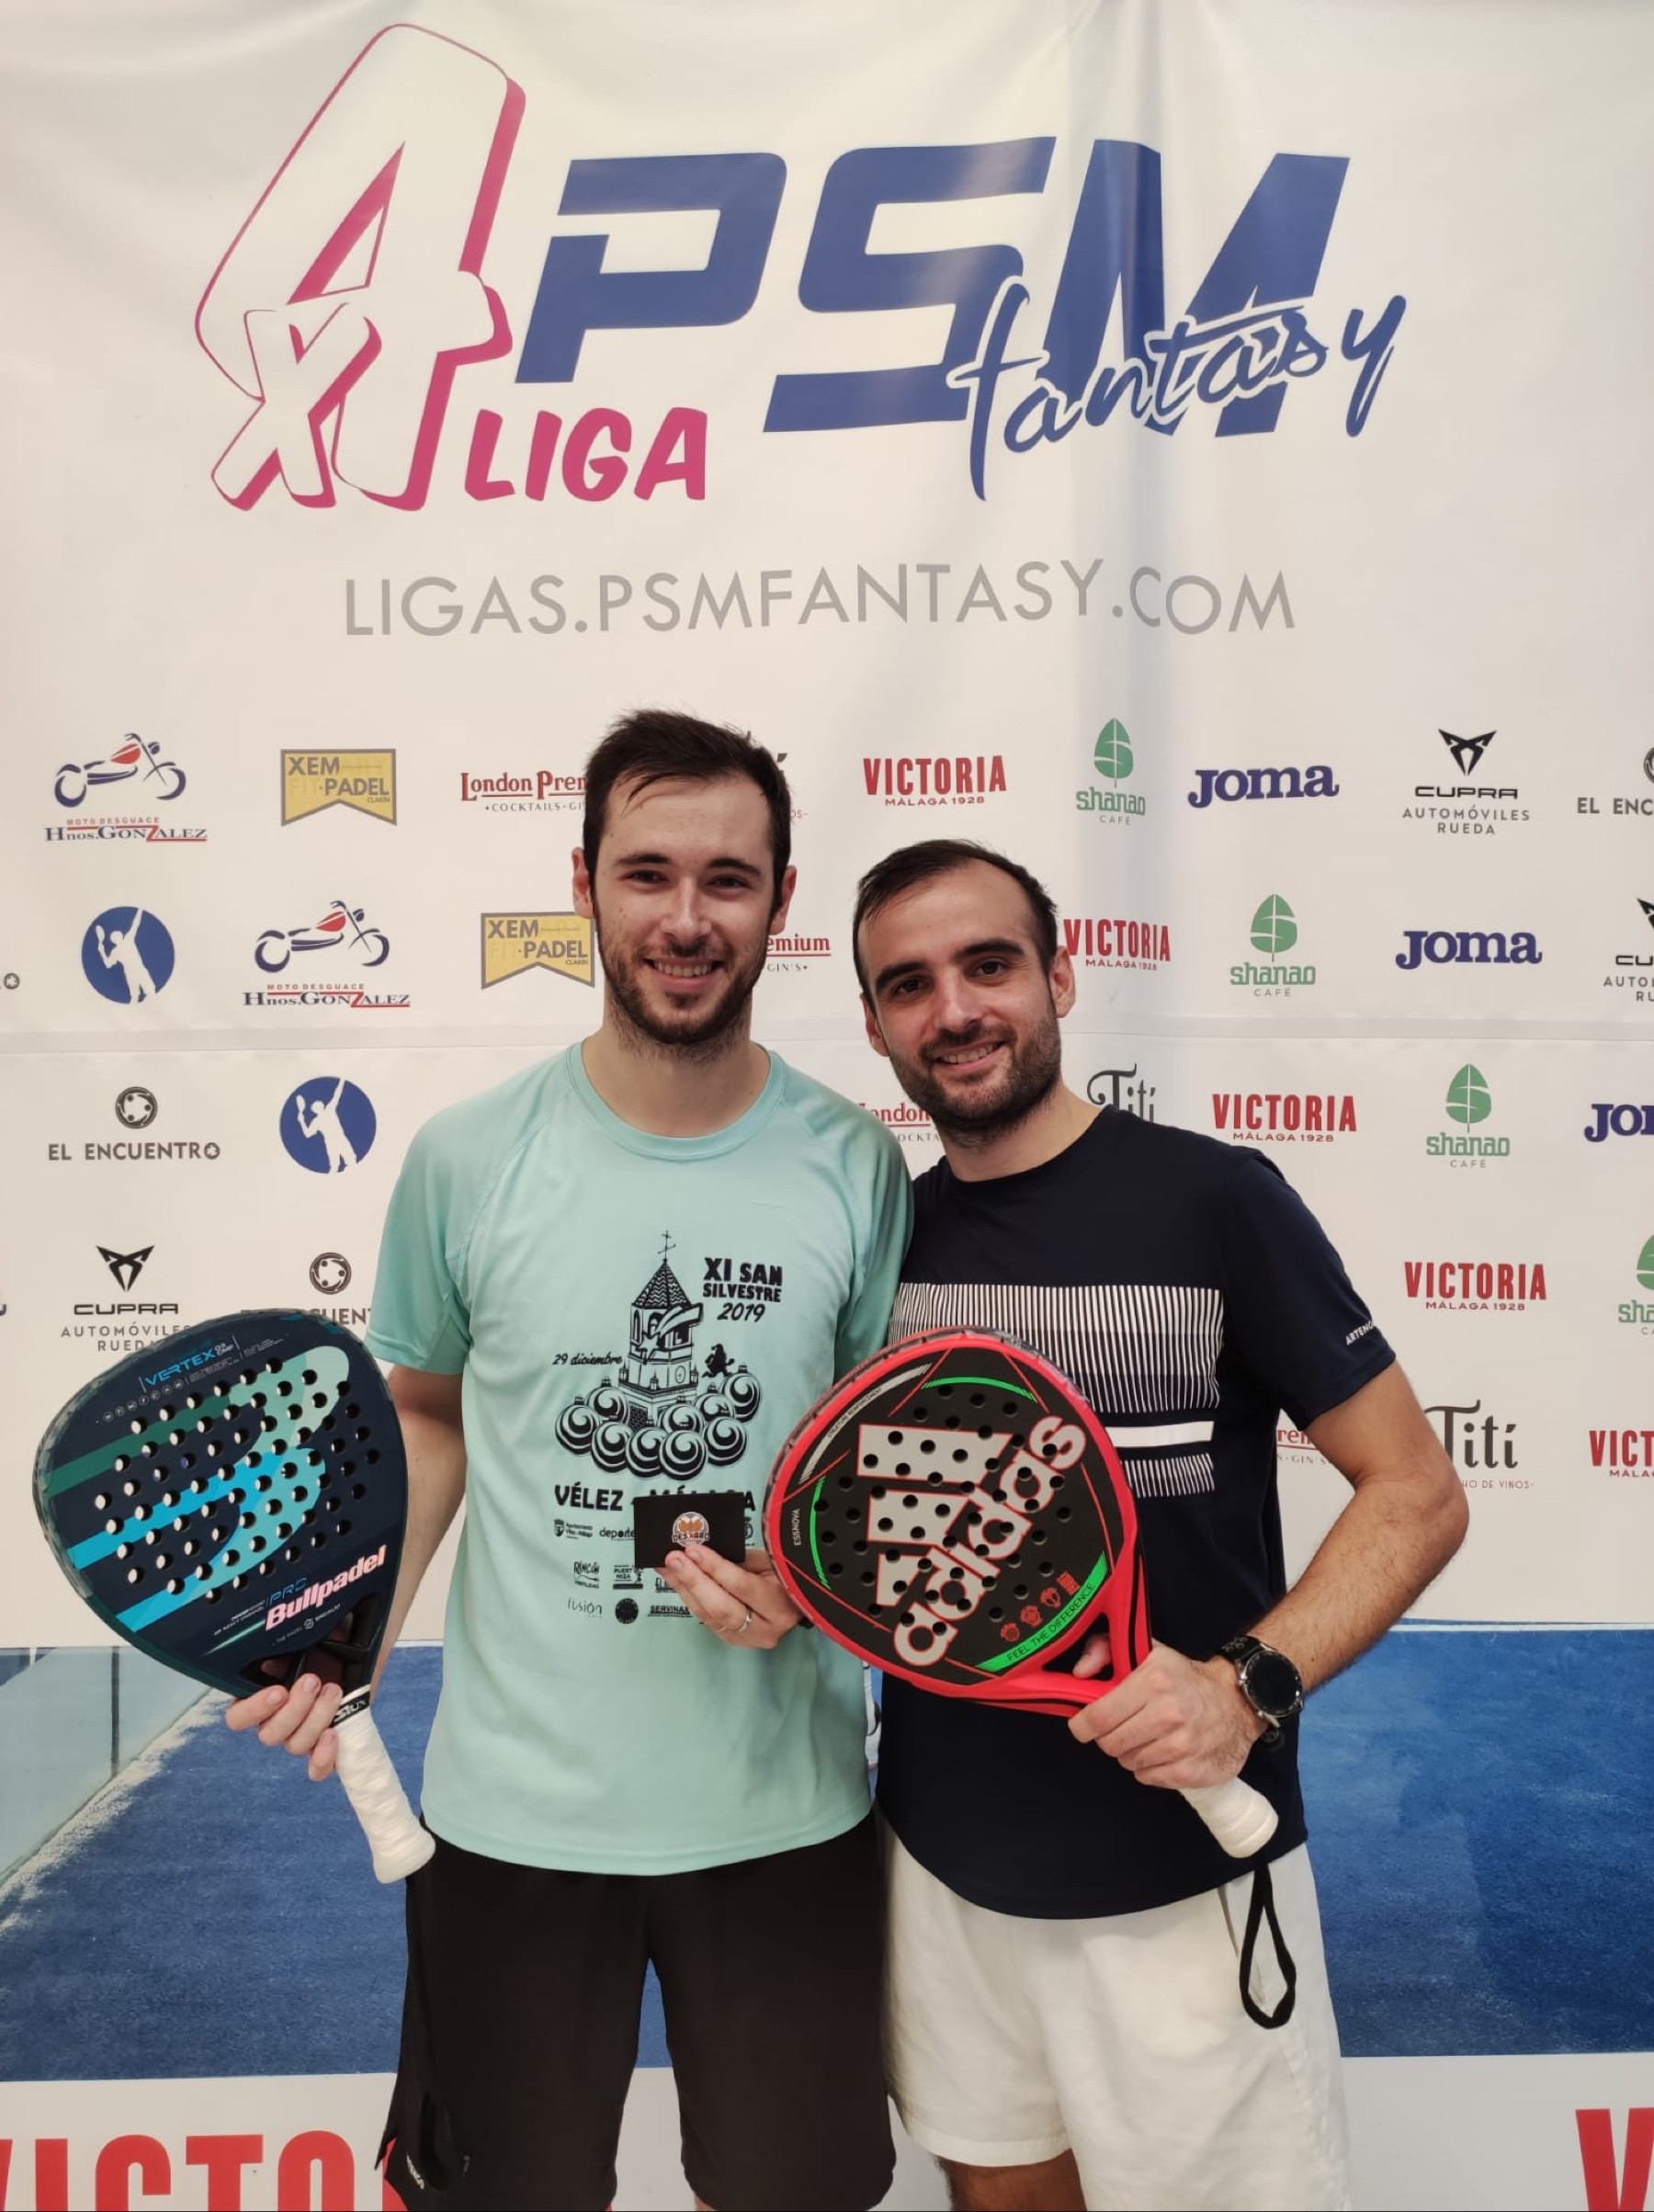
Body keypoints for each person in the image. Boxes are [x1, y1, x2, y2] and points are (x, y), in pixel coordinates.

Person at [228, 711, 911, 2212]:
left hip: (788, 1811)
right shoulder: (467, 1157)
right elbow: (427, 1414)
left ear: (781, 901)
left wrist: (816, 1589)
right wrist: (349, 1632)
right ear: (585, 883)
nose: (686, 919)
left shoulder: (854, 1163)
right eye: (647, 873)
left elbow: (870, 1463)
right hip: (514, 1820)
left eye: (728, 880)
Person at [851, 838, 1467, 2212]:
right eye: (909, 984)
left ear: (1061, 977)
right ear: (877, 1024)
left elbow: (1417, 1492)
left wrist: (1246, 1687)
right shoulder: (873, 1241)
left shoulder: (1217, 1199)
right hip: (942, 1865)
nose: (955, 1009)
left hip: (1187, 1872)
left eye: (990, 964)